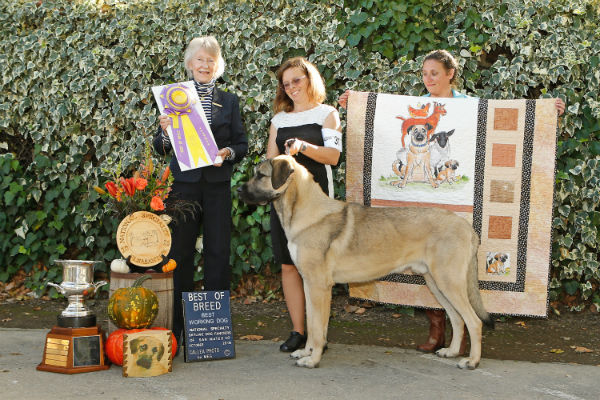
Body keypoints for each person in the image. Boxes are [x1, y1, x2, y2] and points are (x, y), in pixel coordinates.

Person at [338, 49, 565, 354]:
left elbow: (509, 116)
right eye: (424, 73)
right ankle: (439, 333)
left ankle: (466, 335)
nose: (428, 78)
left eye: (434, 73)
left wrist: (547, 112)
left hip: (460, 201)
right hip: (423, 204)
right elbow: (382, 123)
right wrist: (355, 105)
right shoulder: (417, 108)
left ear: (450, 74)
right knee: (431, 273)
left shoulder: (469, 106)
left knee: (451, 273)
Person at [153, 36, 248, 351]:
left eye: (211, 60)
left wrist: (228, 152)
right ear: (190, 63)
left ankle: (214, 333)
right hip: (184, 185)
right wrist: (165, 131)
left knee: (218, 253)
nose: (205, 65)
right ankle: (178, 329)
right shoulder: (173, 97)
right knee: (179, 254)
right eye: (200, 59)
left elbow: (241, 145)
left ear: (217, 65)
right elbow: (160, 147)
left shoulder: (230, 101)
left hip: (218, 185)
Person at [267, 57, 343, 352]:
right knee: (288, 266)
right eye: (286, 84)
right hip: (285, 205)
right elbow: (270, 162)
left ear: (310, 79)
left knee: (316, 268)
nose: (292, 88)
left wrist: (303, 147)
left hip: (317, 204)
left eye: (296, 80)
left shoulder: (328, 114)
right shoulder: (279, 120)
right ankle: (298, 331)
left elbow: (333, 157)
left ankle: (317, 335)